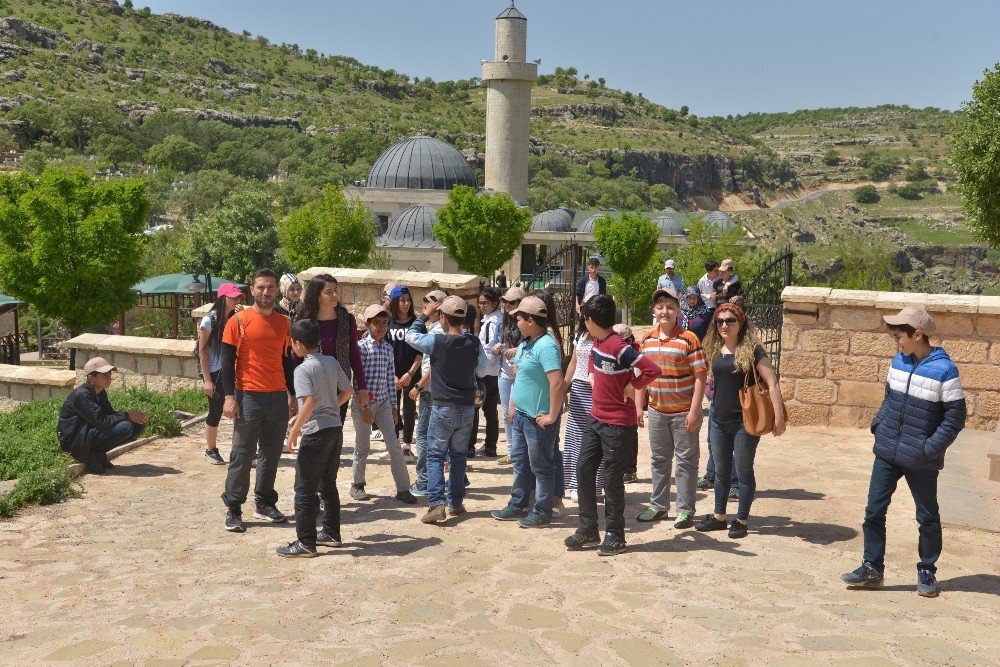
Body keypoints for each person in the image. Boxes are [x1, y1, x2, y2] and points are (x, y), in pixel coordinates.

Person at [841, 307, 966, 598]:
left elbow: (956, 417)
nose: (896, 341)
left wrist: (930, 448)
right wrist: (879, 425)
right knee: (874, 511)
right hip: (887, 451)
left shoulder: (945, 370)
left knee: (927, 517)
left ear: (917, 334)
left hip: (921, 458)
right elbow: (889, 397)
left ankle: (927, 570)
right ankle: (872, 568)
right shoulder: (898, 360)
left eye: (899, 336)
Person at [565, 294, 660, 556]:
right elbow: (591, 362)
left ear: (591, 320)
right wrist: (595, 377)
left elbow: (652, 370)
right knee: (583, 469)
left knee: (611, 479)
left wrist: (634, 385)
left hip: (618, 424)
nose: (583, 321)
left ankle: (616, 535)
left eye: (585, 318)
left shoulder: (620, 347)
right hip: (595, 419)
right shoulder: (596, 341)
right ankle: (588, 529)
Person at [695, 304, 785, 539]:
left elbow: (772, 383)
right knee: (722, 471)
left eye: (730, 321)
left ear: (741, 323)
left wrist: (779, 417)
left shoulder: (754, 350)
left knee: (744, 472)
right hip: (717, 419)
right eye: (720, 321)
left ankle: (742, 519)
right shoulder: (714, 348)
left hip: (745, 422)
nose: (724, 325)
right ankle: (719, 517)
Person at [220, 268, 298, 533]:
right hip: (248, 395)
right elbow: (227, 362)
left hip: (277, 396)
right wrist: (230, 397)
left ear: (277, 291)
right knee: (242, 454)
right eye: (261, 287)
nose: (266, 292)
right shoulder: (238, 320)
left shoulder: (284, 323)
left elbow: (287, 361)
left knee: (272, 453)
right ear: (252, 290)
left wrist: (292, 394)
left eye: (271, 288)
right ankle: (233, 508)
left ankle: (264, 503)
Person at [405, 295, 488, 524]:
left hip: (443, 407)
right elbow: (482, 369)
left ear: (442, 317)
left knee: (435, 456)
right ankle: (456, 502)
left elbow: (410, 336)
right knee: (458, 456)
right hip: (467, 408)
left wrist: (423, 315)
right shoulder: (473, 342)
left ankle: (436, 505)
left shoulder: (437, 342)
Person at [276, 319, 354, 558]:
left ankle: (306, 542)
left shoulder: (302, 370)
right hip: (334, 428)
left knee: (304, 489)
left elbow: (308, 403)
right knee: (327, 484)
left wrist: (294, 431)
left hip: (316, 433)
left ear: (296, 344)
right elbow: (348, 390)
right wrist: (330, 407)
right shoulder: (330, 361)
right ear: (318, 340)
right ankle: (331, 533)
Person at [490, 295, 565, 527]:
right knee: (521, 462)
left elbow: (557, 383)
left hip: (538, 418)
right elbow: (520, 377)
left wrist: (552, 415)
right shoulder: (525, 343)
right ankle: (518, 504)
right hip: (522, 415)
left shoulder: (546, 346)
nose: (516, 323)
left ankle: (542, 511)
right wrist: (512, 407)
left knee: (541, 466)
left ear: (531, 320)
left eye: (519, 318)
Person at [635, 288, 707, 528]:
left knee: (686, 461)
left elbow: (700, 375)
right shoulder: (646, 341)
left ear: (678, 310)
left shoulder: (689, 339)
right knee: (659, 460)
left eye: (670, 307)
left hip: (683, 411)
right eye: (660, 307)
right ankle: (658, 506)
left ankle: (685, 510)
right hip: (656, 410)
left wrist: (695, 410)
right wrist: (639, 407)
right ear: (654, 311)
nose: (665, 311)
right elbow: (642, 376)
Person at [349, 304, 417, 504]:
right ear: (368, 324)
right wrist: (364, 406)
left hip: (384, 403)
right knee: (363, 446)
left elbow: (390, 379)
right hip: (364, 403)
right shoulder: (360, 348)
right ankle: (357, 484)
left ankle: (403, 488)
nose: (381, 327)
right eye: (376, 323)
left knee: (394, 446)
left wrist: (395, 407)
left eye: (384, 323)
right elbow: (356, 381)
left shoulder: (388, 348)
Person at [295, 274, 369, 424]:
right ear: (317, 296)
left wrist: (361, 386)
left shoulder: (347, 320)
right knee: (313, 432)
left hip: (340, 386)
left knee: (334, 431)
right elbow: (296, 357)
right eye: (329, 292)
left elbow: (353, 354)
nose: (335, 295)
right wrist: (292, 392)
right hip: (312, 386)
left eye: (336, 290)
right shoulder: (305, 321)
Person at [57, 357, 149, 474]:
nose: (109, 378)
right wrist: (127, 415)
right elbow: (101, 421)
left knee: (137, 424)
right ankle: (89, 456)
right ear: (91, 378)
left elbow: (109, 414)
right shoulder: (82, 394)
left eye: (109, 374)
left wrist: (133, 416)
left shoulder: (100, 392)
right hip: (74, 442)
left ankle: (97, 453)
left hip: (87, 434)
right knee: (126, 427)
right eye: (104, 375)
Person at [406, 289, 448, 496]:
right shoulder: (440, 329)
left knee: (424, 436)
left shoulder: (438, 331)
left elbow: (410, 337)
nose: (425, 305)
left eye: (429, 302)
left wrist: (419, 385)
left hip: (431, 391)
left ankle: (424, 481)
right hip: (440, 391)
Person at [198, 283, 244, 465]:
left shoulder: (236, 317)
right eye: (233, 297)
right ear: (223, 298)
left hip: (232, 369)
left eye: (238, 297)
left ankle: (241, 449)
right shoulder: (209, 320)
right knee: (216, 410)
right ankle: (210, 449)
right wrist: (207, 379)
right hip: (215, 371)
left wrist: (242, 317)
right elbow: (202, 351)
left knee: (240, 408)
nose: (237, 300)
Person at [562, 316, 604, 503]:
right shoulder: (579, 336)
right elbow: (573, 363)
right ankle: (575, 484)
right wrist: (563, 387)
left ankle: (594, 486)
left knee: (596, 438)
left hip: (598, 388)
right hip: (579, 388)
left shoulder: (604, 336)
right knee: (576, 437)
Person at [386, 285, 420, 461]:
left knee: (408, 409)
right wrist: (392, 375)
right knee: (392, 409)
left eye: (408, 300)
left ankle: (407, 446)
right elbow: (384, 350)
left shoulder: (416, 324)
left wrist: (410, 373)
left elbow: (420, 353)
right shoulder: (388, 323)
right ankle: (392, 445)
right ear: (394, 302)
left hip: (411, 375)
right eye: (402, 300)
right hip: (392, 376)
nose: (406, 304)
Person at [495, 286, 525, 465]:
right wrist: (498, 348)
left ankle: (519, 451)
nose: (507, 305)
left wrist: (517, 349)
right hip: (505, 372)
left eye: (511, 302)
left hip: (520, 372)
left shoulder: (527, 320)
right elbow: (502, 341)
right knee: (506, 414)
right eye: (505, 301)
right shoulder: (505, 320)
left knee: (517, 413)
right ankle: (511, 451)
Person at [473, 287, 503, 457]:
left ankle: (486, 444)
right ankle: (490, 445)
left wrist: (481, 366)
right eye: (480, 303)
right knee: (489, 410)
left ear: (494, 303)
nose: (482, 306)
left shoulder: (493, 322)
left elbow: (490, 347)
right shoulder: (490, 319)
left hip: (487, 370)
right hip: (489, 369)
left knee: (482, 408)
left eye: (486, 303)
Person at [614, 323, 643, 485]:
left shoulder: (635, 352)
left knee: (631, 434)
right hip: (615, 397)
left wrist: (639, 406)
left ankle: (631, 469)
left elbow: (640, 376)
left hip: (632, 398)